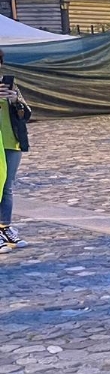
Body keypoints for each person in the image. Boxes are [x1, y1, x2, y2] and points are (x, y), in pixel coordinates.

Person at [0, 51, 31, 253]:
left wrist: (14, 101)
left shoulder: (10, 86)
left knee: (7, 187)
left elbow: (26, 114)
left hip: (11, 142)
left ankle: (5, 228)